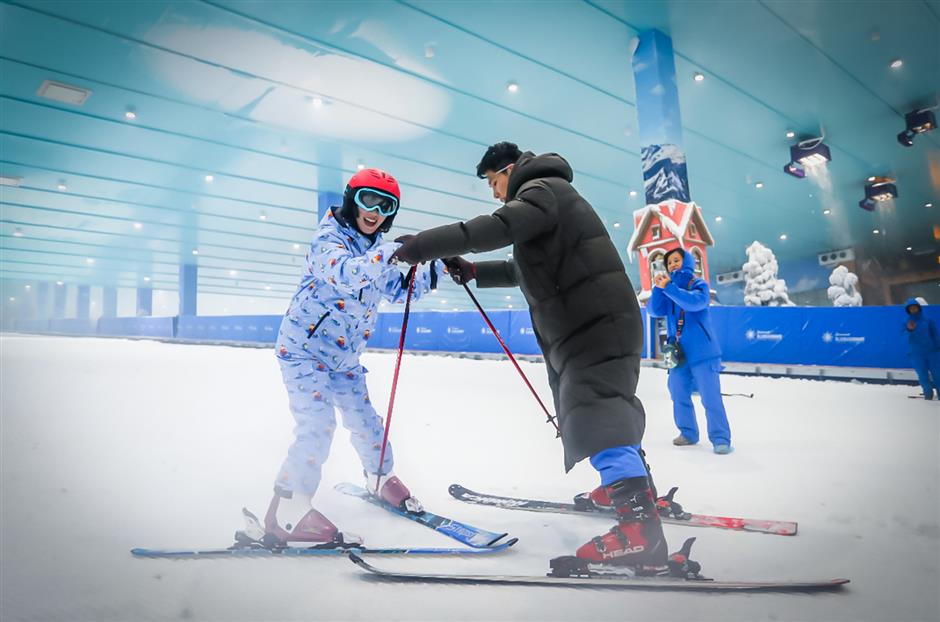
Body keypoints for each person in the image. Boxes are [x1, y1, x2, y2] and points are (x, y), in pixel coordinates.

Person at [391, 141, 667, 567]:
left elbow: (492, 229)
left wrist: (422, 247)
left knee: (594, 406)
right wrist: (475, 271)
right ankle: (627, 487)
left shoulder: (541, 189)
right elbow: (530, 267)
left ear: (510, 169)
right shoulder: (550, 200)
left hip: (593, 324)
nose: (495, 193)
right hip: (594, 322)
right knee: (601, 405)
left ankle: (639, 529)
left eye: (493, 181)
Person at [249, 168, 444, 547]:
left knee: (367, 422)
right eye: (368, 199)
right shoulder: (329, 238)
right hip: (303, 351)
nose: (375, 211)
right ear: (351, 198)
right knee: (317, 425)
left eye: (386, 206)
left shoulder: (374, 249)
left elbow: (398, 289)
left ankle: (379, 476)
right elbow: (346, 273)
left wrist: (435, 265)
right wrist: (392, 251)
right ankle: (287, 510)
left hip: (345, 358)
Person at [648, 247, 733, 454]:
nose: (672, 265)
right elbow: (654, 311)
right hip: (678, 354)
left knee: (710, 397)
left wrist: (670, 288)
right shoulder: (669, 289)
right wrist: (659, 289)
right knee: (678, 393)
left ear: (686, 262)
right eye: (669, 263)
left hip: (703, 352)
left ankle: (720, 438)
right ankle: (688, 433)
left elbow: (695, 304)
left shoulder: (698, 285)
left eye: (676, 260)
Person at [903, 298, 940, 400]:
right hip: (916, 354)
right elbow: (903, 336)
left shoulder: (928, 320)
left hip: (932, 352)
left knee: (937, 374)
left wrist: (938, 347)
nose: (913, 310)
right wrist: (909, 330)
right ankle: (928, 395)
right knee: (923, 376)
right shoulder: (907, 322)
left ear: (918, 308)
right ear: (908, 310)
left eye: (915, 307)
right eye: (911, 308)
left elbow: (935, 334)